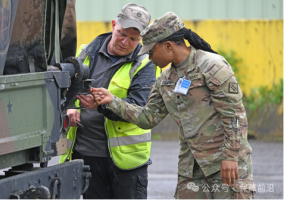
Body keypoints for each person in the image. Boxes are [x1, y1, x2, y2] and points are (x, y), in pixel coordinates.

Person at [91, 12, 255, 200]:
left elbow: (234, 115)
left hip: (224, 164)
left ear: (167, 46)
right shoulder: (165, 79)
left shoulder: (211, 66)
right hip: (191, 169)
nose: (150, 58)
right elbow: (148, 117)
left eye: (151, 52)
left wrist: (231, 156)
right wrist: (112, 101)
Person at [59, 3, 160, 200]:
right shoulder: (84, 52)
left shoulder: (145, 64)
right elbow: (64, 89)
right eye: (122, 33)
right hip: (85, 154)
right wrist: (69, 107)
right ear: (114, 25)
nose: (125, 42)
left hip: (127, 163)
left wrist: (104, 104)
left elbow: (139, 107)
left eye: (133, 38)